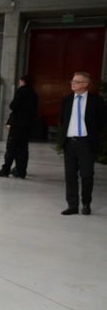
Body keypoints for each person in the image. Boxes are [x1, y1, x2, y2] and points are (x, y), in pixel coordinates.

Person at [58, 72, 106, 215]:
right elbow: (62, 119)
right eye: (72, 81)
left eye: (76, 81)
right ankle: (72, 205)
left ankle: (86, 204)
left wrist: (92, 134)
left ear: (85, 84)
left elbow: (102, 120)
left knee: (87, 175)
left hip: (85, 143)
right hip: (70, 142)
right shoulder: (66, 100)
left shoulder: (96, 101)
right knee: (70, 175)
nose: (72, 83)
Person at [0, 75, 39, 179]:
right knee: (23, 149)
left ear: (22, 81)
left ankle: (5, 170)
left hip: (18, 124)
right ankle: (21, 171)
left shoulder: (21, 91)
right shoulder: (34, 94)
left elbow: (13, 106)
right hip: (28, 125)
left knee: (11, 148)